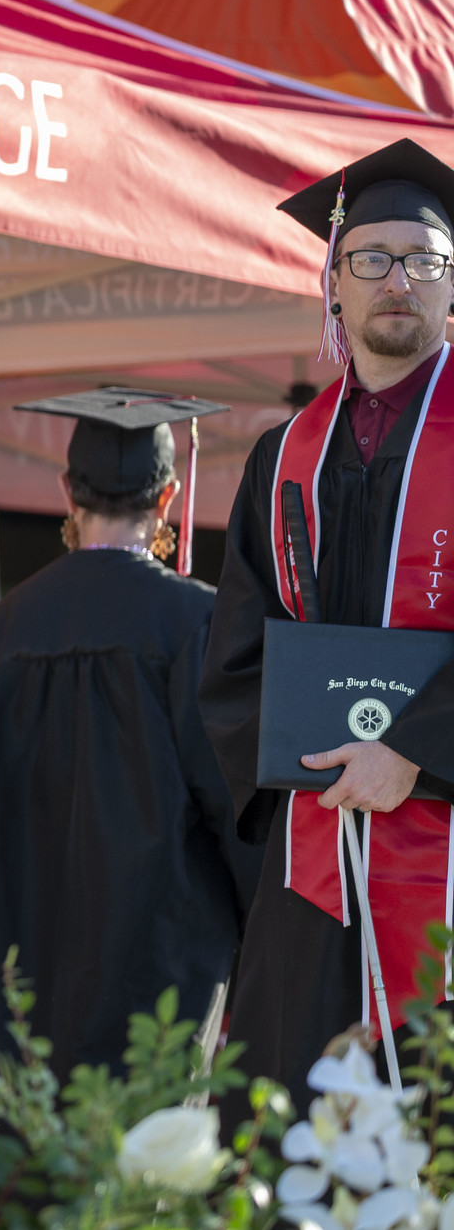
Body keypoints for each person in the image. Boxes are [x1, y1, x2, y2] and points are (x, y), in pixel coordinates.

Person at [202, 139, 454, 1108]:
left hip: (445, 837)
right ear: (331, 288)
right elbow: (231, 656)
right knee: (297, 1121)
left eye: (423, 261)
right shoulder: (279, 457)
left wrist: (416, 750)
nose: (397, 280)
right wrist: (309, 768)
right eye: (371, 259)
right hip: (314, 852)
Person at [0, 390, 259, 1083]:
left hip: (25, 987)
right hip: (162, 981)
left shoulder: (1, 630)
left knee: (40, 1179)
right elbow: (238, 810)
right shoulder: (198, 622)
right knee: (148, 1175)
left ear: (67, 490)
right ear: (171, 496)